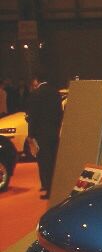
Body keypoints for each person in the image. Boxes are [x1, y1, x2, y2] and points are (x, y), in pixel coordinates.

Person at [26, 71, 63, 200]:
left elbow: (33, 116)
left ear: (36, 80)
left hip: (41, 133)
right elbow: (60, 113)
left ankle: (48, 188)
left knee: (44, 161)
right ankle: (53, 185)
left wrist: (30, 134)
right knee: (53, 160)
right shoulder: (56, 93)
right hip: (53, 131)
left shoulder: (36, 94)